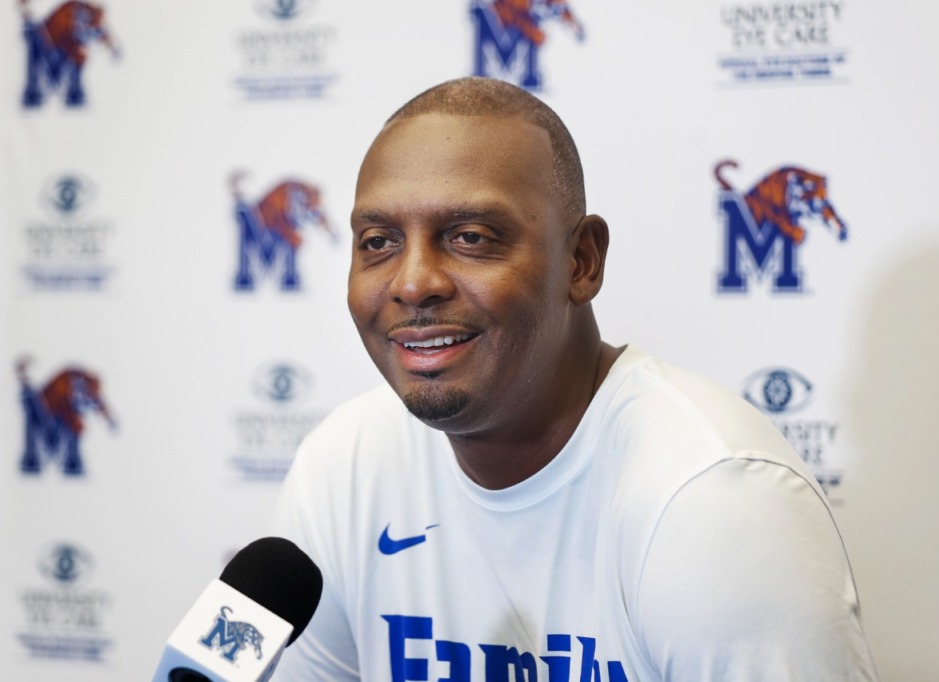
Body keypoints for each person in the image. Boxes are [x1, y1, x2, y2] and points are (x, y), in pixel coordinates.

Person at [271, 77, 879, 681]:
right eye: (378, 242)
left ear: (582, 261)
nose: (413, 282)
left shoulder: (715, 502)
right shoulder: (343, 466)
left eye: (471, 238)